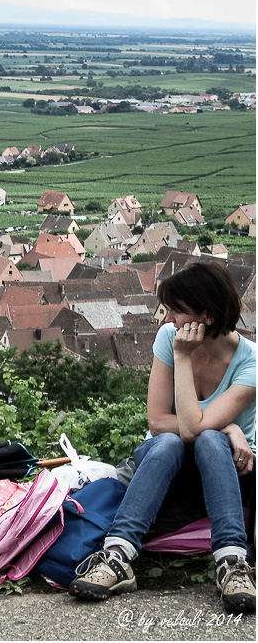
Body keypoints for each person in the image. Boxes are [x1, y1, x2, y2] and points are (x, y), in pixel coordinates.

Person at [69, 262, 256, 613]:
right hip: (167, 462)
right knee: (173, 441)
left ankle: (232, 562)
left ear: (207, 316)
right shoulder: (168, 338)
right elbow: (158, 423)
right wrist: (228, 427)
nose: (168, 318)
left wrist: (184, 359)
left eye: (176, 310)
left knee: (209, 441)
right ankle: (116, 556)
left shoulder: (250, 363)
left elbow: (192, 429)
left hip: (228, 469)